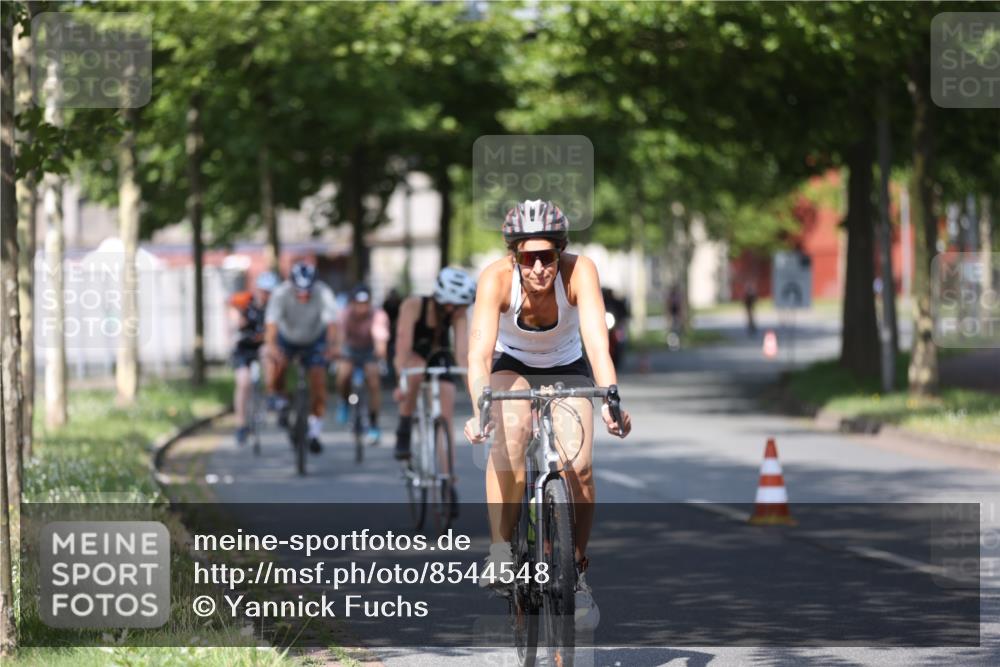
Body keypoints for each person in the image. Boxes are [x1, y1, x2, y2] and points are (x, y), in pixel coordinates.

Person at [463, 199, 632, 631]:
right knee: (512, 433)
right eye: (527, 257)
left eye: (547, 257)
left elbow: (597, 342)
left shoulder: (581, 272)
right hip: (512, 366)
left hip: (567, 365)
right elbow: (479, 356)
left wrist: (611, 396)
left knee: (582, 466)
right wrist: (480, 408)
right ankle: (502, 550)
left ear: (561, 252)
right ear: (513, 256)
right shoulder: (495, 279)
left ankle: (575, 571)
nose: (538, 268)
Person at [392, 267, 477, 461]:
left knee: (446, 408)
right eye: (462, 305)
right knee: (416, 370)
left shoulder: (458, 314)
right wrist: (400, 381)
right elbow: (402, 345)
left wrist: (476, 397)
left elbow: (462, 354)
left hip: (439, 356)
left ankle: (448, 481)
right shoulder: (413, 305)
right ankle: (404, 428)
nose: (465, 309)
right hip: (412, 355)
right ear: (448, 304)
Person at [264, 260, 339, 453]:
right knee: (277, 364)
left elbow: (332, 323)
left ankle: (314, 432)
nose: (304, 295)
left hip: (314, 339)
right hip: (287, 338)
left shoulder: (323, 292)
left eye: (308, 292)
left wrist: (331, 346)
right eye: (300, 292)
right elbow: (272, 324)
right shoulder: (281, 293)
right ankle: (280, 399)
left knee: (318, 381)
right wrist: (272, 346)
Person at [334, 284, 390, 444]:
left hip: (369, 351)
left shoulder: (378, 315)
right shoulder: (344, 314)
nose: (361, 308)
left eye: (365, 304)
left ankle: (373, 423)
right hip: (349, 350)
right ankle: (344, 401)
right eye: (358, 304)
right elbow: (340, 337)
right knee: (343, 373)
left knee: (373, 380)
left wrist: (380, 354)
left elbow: (380, 339)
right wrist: (338, 352)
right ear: (352, 303)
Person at [229, 271, 278, 446]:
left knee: (267, 352)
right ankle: (241, 424)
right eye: (264, 291)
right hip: (243, 349)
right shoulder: (246, 302)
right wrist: (236, 321)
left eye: (270, 292)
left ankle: (271, 393)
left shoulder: (276, 309)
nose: (267, 295)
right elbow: (231, 309)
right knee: (243, 383)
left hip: (263, 348)